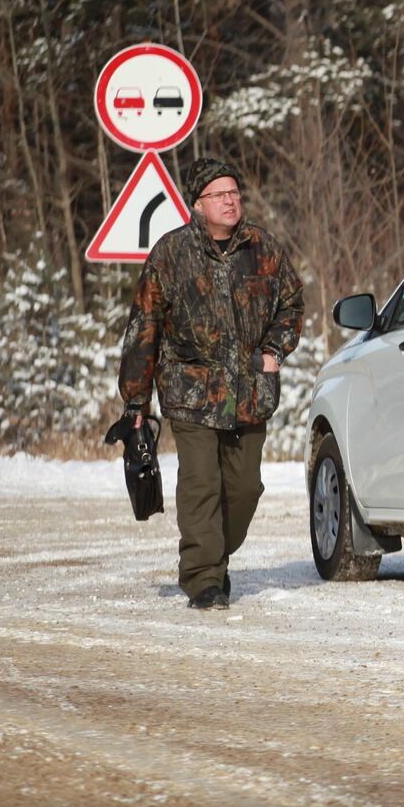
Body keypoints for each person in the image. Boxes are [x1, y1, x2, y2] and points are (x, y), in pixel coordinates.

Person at [117, 157, 303, 610]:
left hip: (250, 393)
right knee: (201, 484)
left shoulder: (263, 248)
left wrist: (273, 352)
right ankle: (203, 578)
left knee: (243, 489)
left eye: (234, 193)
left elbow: (292, 304)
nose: (230, 201)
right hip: (191, 393)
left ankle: (215, 555)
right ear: (197, 205)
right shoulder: (170, 253)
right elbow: (145, 325)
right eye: (219, 195)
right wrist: (135, 400)